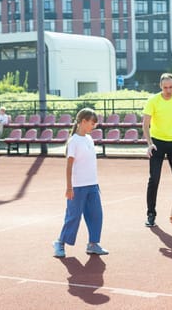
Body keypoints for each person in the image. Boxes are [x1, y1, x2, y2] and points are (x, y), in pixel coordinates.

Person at [53, 108, 108, 258]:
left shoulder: (89, 139)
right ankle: (60, 243)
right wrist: (69, 187)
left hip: (92, 185)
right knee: (73, 217)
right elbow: (69, 165)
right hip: (77, 187)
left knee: (96, 215)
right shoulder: (74, 141)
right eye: (92, 123)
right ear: (83, 122)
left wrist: (95, 183)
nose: (94, 126)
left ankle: (93, 244)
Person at [142, 73, 172, 227]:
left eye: (171, 87)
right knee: (154, 179)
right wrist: (149, 143)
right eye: (165, 87)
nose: (168, 90)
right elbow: (145, 124)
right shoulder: (153, 100)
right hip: (157, 143)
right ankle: (151, 214)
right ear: (160, 86)